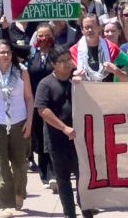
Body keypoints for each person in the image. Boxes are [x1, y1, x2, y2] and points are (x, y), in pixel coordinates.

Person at [36, 46, 98, 218]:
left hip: (79, 140)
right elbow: (43, 110)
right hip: (57, 142)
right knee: (63, 182)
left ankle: (87, 212)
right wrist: (64, 128)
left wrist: (84, 83)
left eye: (68, 60)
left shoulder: (76, 81)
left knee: (83, 180)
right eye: (61, 62)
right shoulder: (46, 84)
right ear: (53, 65)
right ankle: (69, 214)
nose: (66, 65)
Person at [0, 39, 34, 217]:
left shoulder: (21, 72)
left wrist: (30, 121)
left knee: (19, 165)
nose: (6, 55)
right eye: (2, 52)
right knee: (0, 165)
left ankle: (19, 193)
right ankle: (5, 204)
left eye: (8, 52)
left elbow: (29, 98)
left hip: (19, 122)